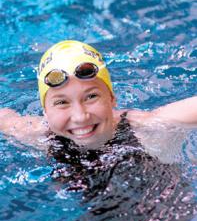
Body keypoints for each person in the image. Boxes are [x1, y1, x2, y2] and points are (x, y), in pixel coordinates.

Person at [0, 40, 196, 157]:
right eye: (61, 102)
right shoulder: (39, 135)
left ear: (112, 99)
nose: (80, 116)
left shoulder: (146, 129)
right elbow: (5, 119)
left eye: (91, 97)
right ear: (45, 111)